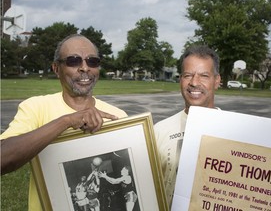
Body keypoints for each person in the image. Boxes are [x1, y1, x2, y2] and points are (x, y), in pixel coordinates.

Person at [0, 34, 127, 210]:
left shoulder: (118, 117)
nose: (84, 68)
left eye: (92, 61)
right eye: (73, 61)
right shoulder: (36, 107)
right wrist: (66, 121)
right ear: (56, 68)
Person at [154, 45, 221, 207]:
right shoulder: (159, 131)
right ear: (180, 80)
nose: (194, 82)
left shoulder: (236, 132)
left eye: (204, 75)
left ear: (217, 81)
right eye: (188, 75)